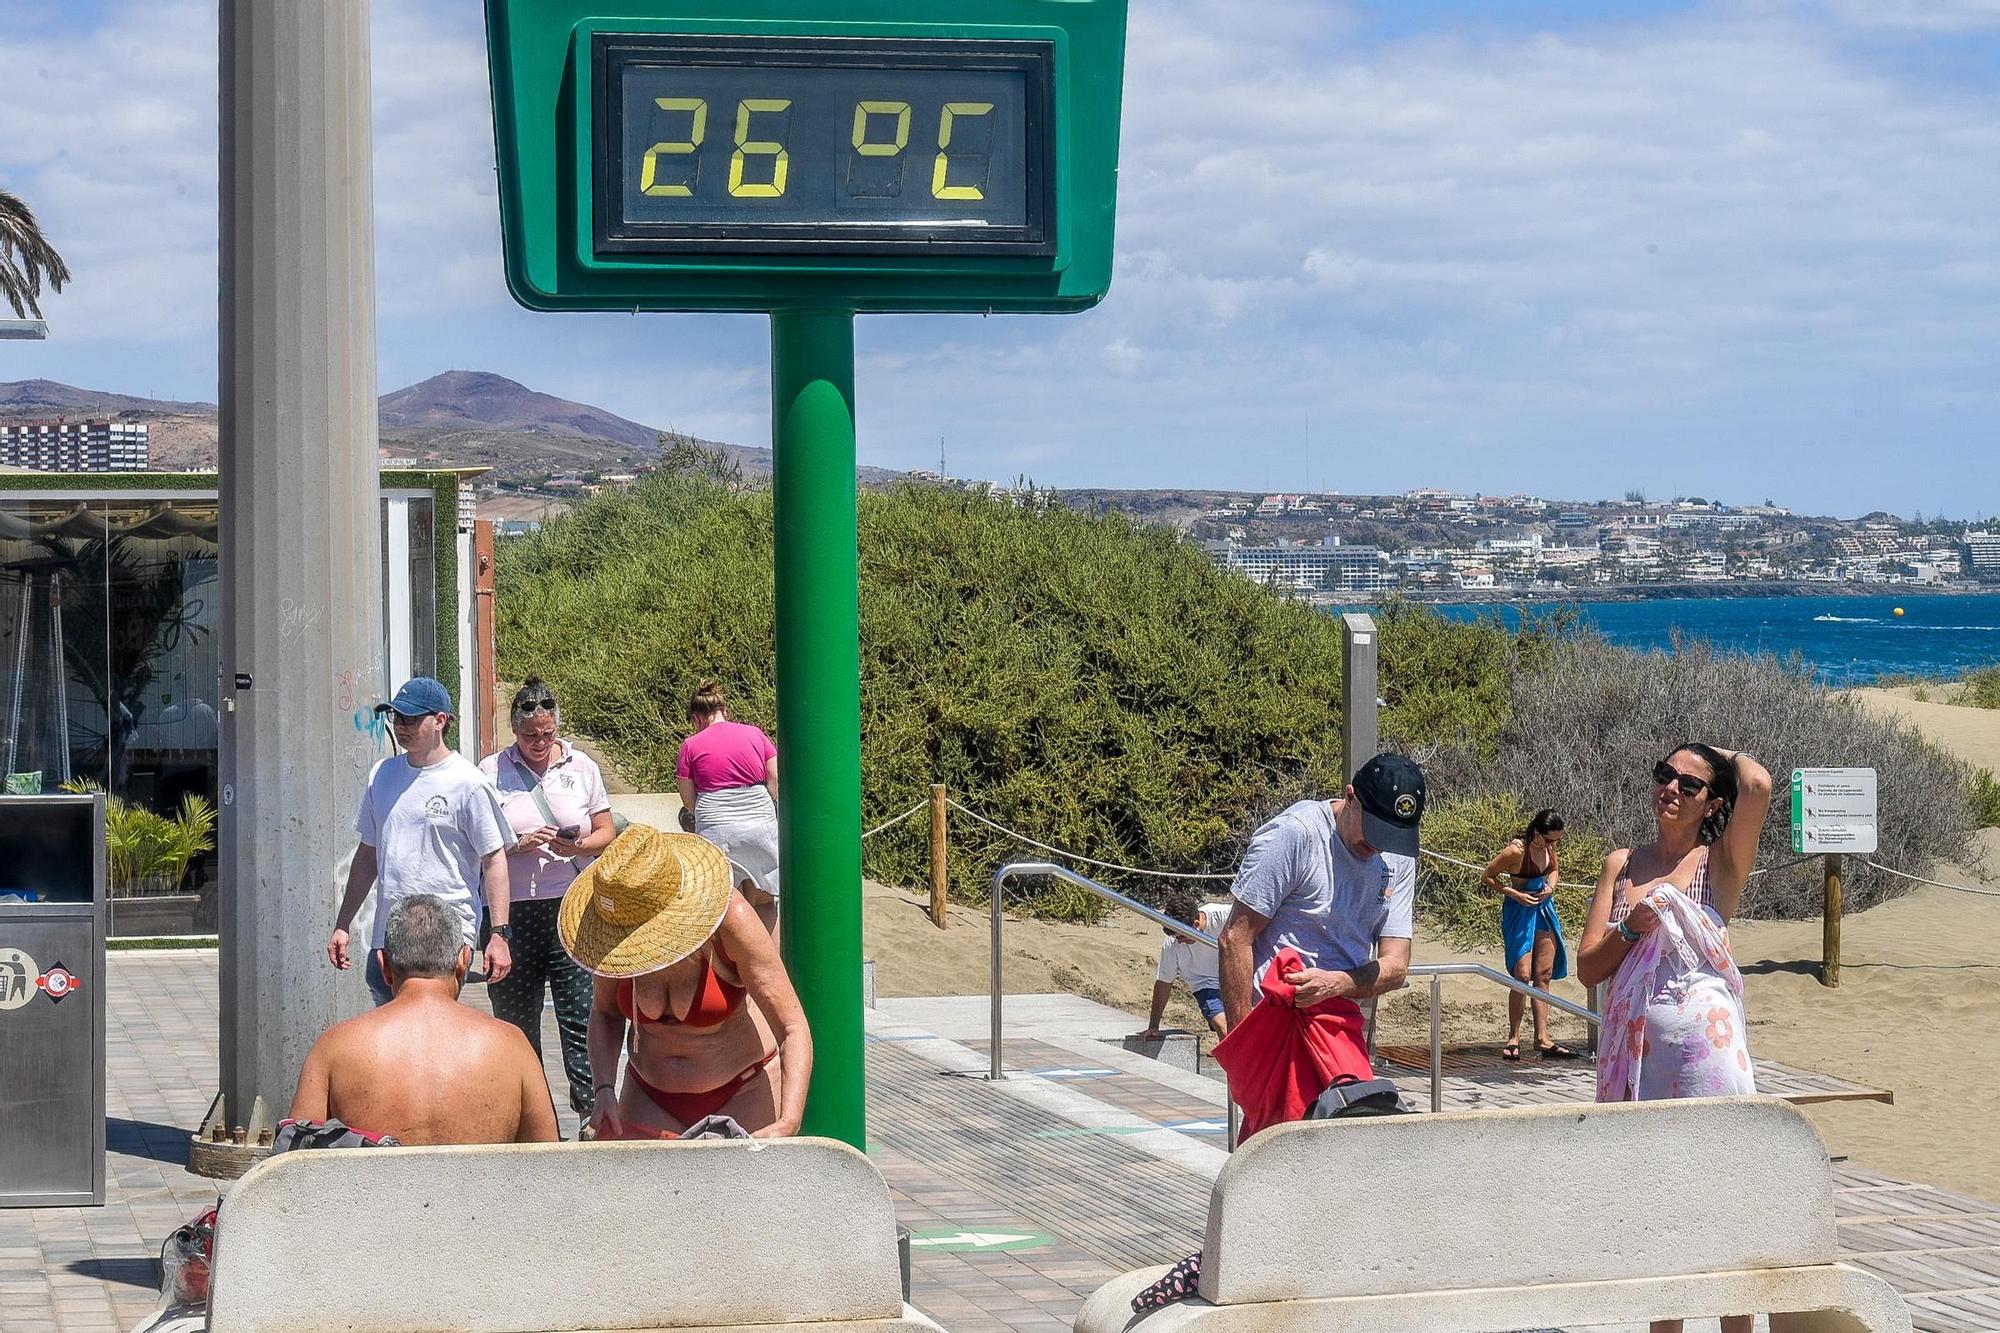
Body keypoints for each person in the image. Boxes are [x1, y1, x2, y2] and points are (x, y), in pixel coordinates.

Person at [1578, 743, 1772, 1333]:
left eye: (1690, 785)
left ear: (1712, 802)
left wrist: (1720, 753)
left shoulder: (1719, 863)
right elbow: (1588, 968)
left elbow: (1759, 786)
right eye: (1666, 775)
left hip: (1707, 1057)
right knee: (1657, 1209)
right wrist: (1631, 929)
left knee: (1724, 1201)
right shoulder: (1622, 864)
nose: (1672, 789)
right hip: (1640, 1058)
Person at [1216, 753, 1425, 1138]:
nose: (1377, 847)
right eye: (1374, 831)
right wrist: (1244, 1050)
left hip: (1341, 1022)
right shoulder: (1298, 834)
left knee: (1352, 1142)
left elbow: (1396, 964)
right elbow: (1234, 938)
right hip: (1277, 1024)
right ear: (1350, 797)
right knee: (1277, 1153)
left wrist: (1336, 984)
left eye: (1390, 837)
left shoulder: (1396, 857)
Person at [561, 824, 812, 1139]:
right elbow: (606, 1012)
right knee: (638, 1187)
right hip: (648, 1093)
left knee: (741, 1188)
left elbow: (792, 1027)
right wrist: (604, 1088)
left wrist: (789, 1120)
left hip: (742, 1090)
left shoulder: (730, 919)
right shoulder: (613, 932)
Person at [291, 895, 559, 1145]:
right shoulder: (511, 1045)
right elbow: (547, 1166)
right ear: (464, 961)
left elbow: (293, 1167)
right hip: (480, 1195)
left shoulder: (334, 1047)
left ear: (384, 966)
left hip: (375, 1196)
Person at [328, 676, 515, 1005]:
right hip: (388, 937)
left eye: (411, 719)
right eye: (397, 718)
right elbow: (367, 857)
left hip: (444, 938)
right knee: (389, 1045)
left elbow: (494, 859)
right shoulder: (382, 775)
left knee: (429, 1039)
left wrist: (499, 935)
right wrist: (343, 923)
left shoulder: (468, 783)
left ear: (440, 721)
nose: (401, 726)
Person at [480, 677, 616, 1125]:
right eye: (529, 736)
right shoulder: (489, 771)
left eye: (547, 734)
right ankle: (533, 1118)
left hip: (570, 906)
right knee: (516, 1022)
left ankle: (589, 1114)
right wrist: (516, 844)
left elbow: (606, 832)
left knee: (579, 1012)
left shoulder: (583, 768)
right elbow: (480, 841)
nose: (539, 742)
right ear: (514, 732)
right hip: (512, 911)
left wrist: (577, 848)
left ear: (557, 728)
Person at [676, 680, 780, 933]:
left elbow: (688, 800)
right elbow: (775, 781)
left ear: (696, 718)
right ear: (725, 710)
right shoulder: (755, 733)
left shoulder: (690, 745)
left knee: (725, 904)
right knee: (765, 902)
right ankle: (770, 963)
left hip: (717, 826)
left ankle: (735, 968)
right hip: (759, 821)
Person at [1481, 808, 1575, 1061]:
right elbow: (1488, 875)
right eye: (1550, 839)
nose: (1554, 844)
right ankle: (1514, 1036)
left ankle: (1542, 1037)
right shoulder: (1516, 851)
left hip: (1543, 910)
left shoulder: (1549, 848)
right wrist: (1515, 894)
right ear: (1537, 833)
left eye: (1557, 840)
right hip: (1520, 911)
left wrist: (1550, 887)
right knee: (1522, 975)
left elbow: (1554, 870)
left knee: (1543, 974)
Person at [1137, 893, 1233, 1039]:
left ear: (1195, 924)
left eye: (1181, 936)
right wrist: (1153, 1026)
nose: (1179, 941)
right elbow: (1164, 983)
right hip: (1205, 985)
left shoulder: (1225, 916)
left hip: (1236, 975)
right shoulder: (1171, 945)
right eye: (1175, 937)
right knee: (1223, 1027)